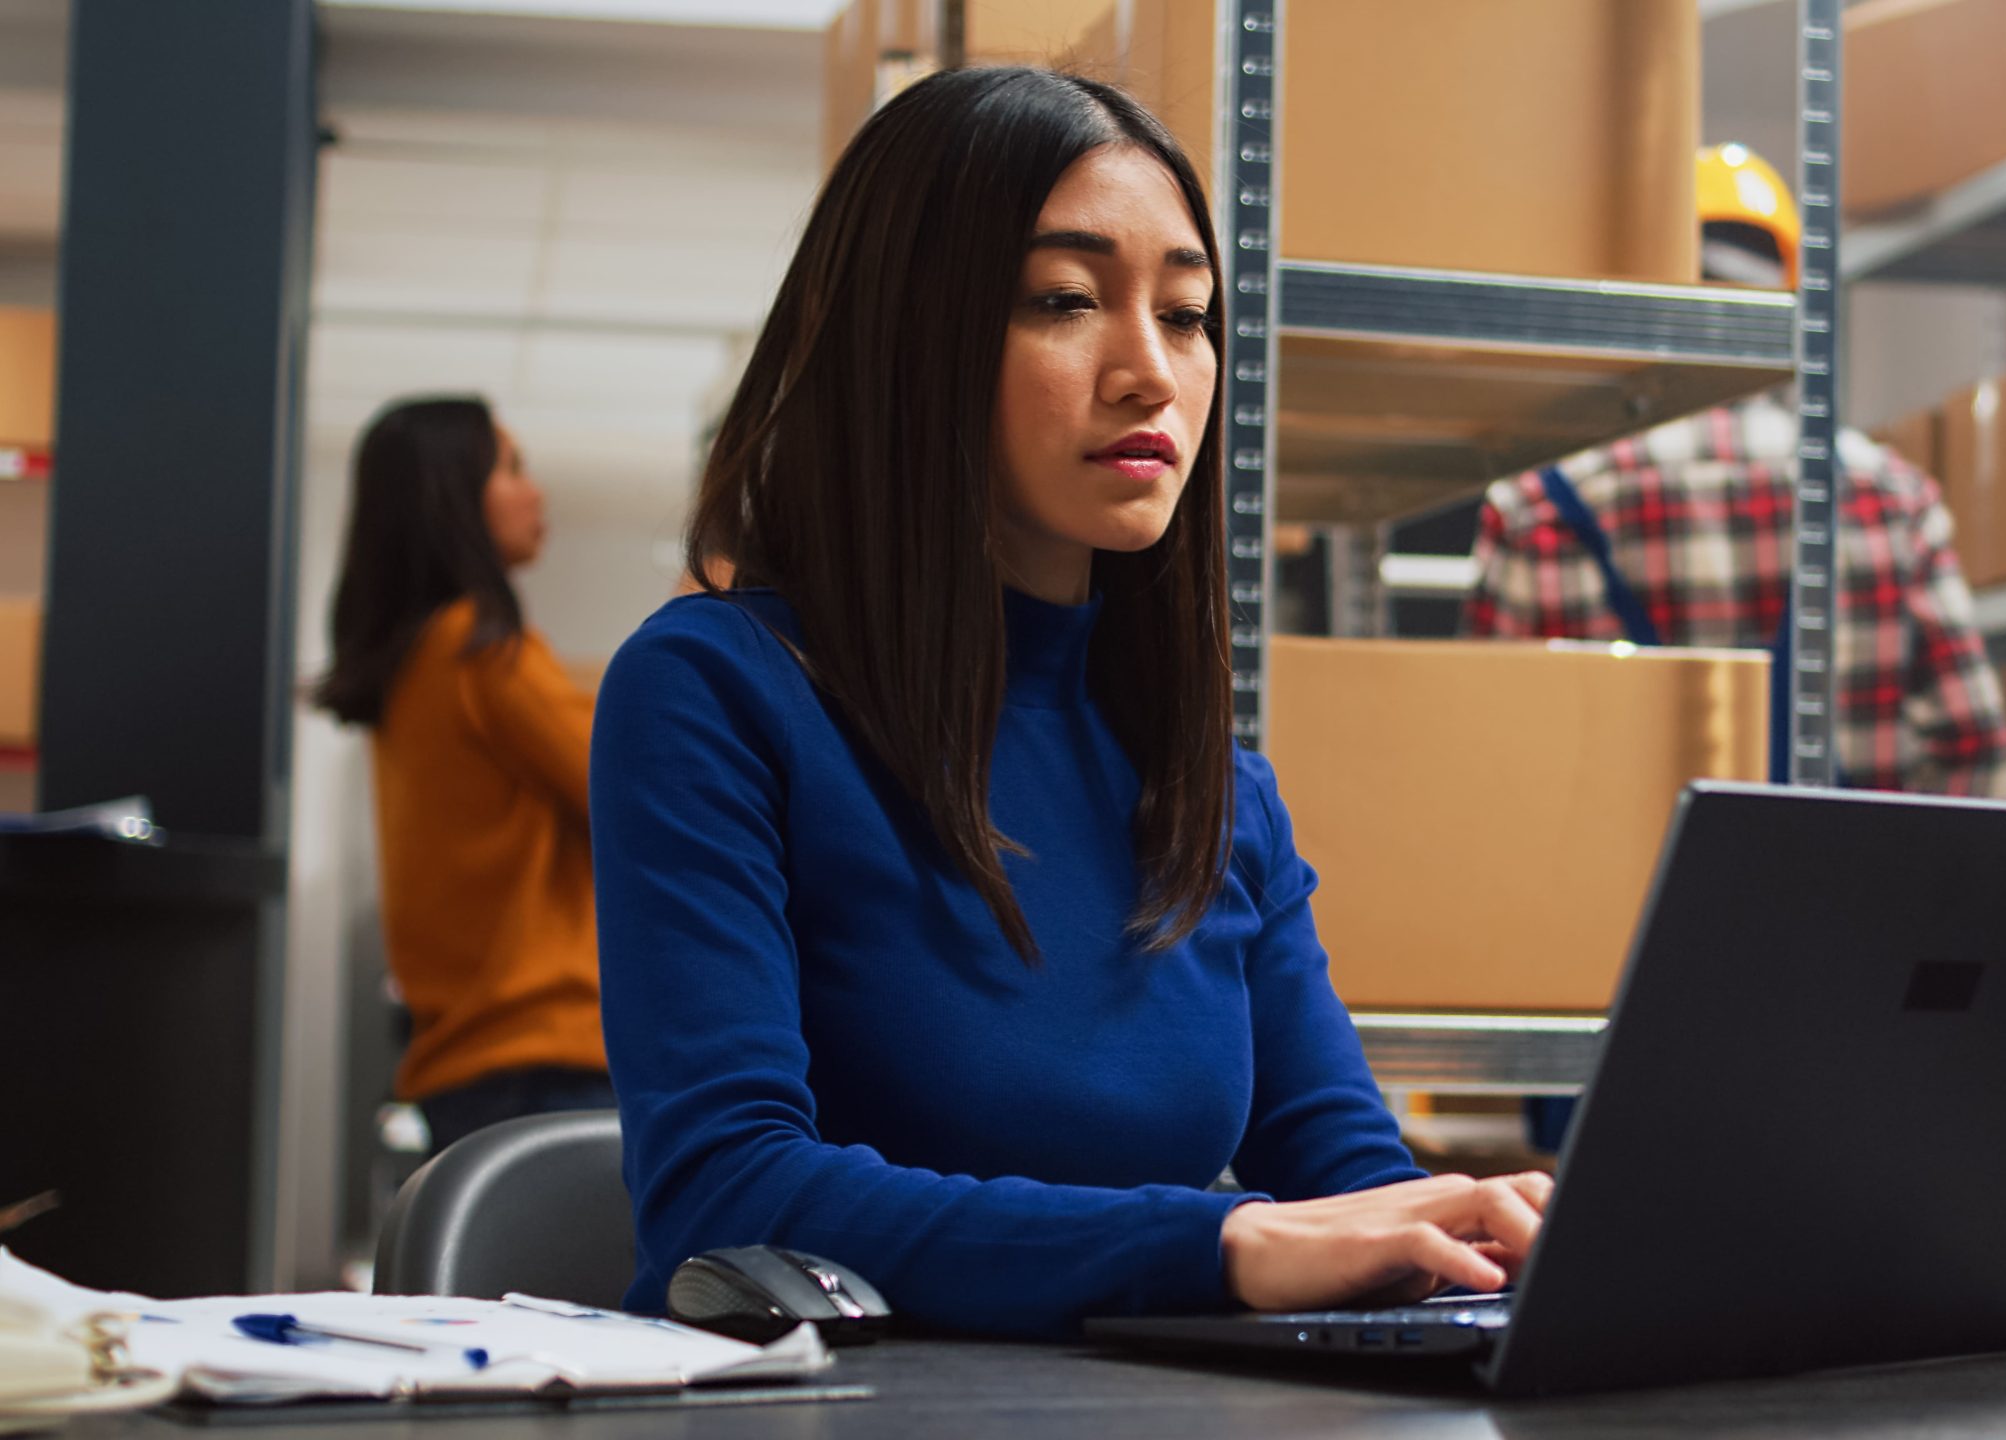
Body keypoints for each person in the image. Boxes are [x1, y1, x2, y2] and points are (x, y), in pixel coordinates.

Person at [590, 67, 1550, 1342]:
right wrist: (1216, 1241)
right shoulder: (715, 693)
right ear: (906, 334)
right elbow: (724, 1193)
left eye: (1189, 315)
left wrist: (1488, 1235)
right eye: (1064, 301)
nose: (1150, 373)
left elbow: (1349, 1174)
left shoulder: (1213, 782)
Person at [1464, 144, 2006, 796]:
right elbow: (1978, 753)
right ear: (1787, 303)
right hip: (1838, 895)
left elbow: (1486, 762)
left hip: (1621, 895)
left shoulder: (1540, 508)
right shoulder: (1891, 499)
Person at [314, 396, 612, 1156]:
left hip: (471, 1060)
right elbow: (627, 788)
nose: (535, 491)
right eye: (511, 468)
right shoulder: (483, 648)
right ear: (451, 494)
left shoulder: (419, 657)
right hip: (544, 1052)